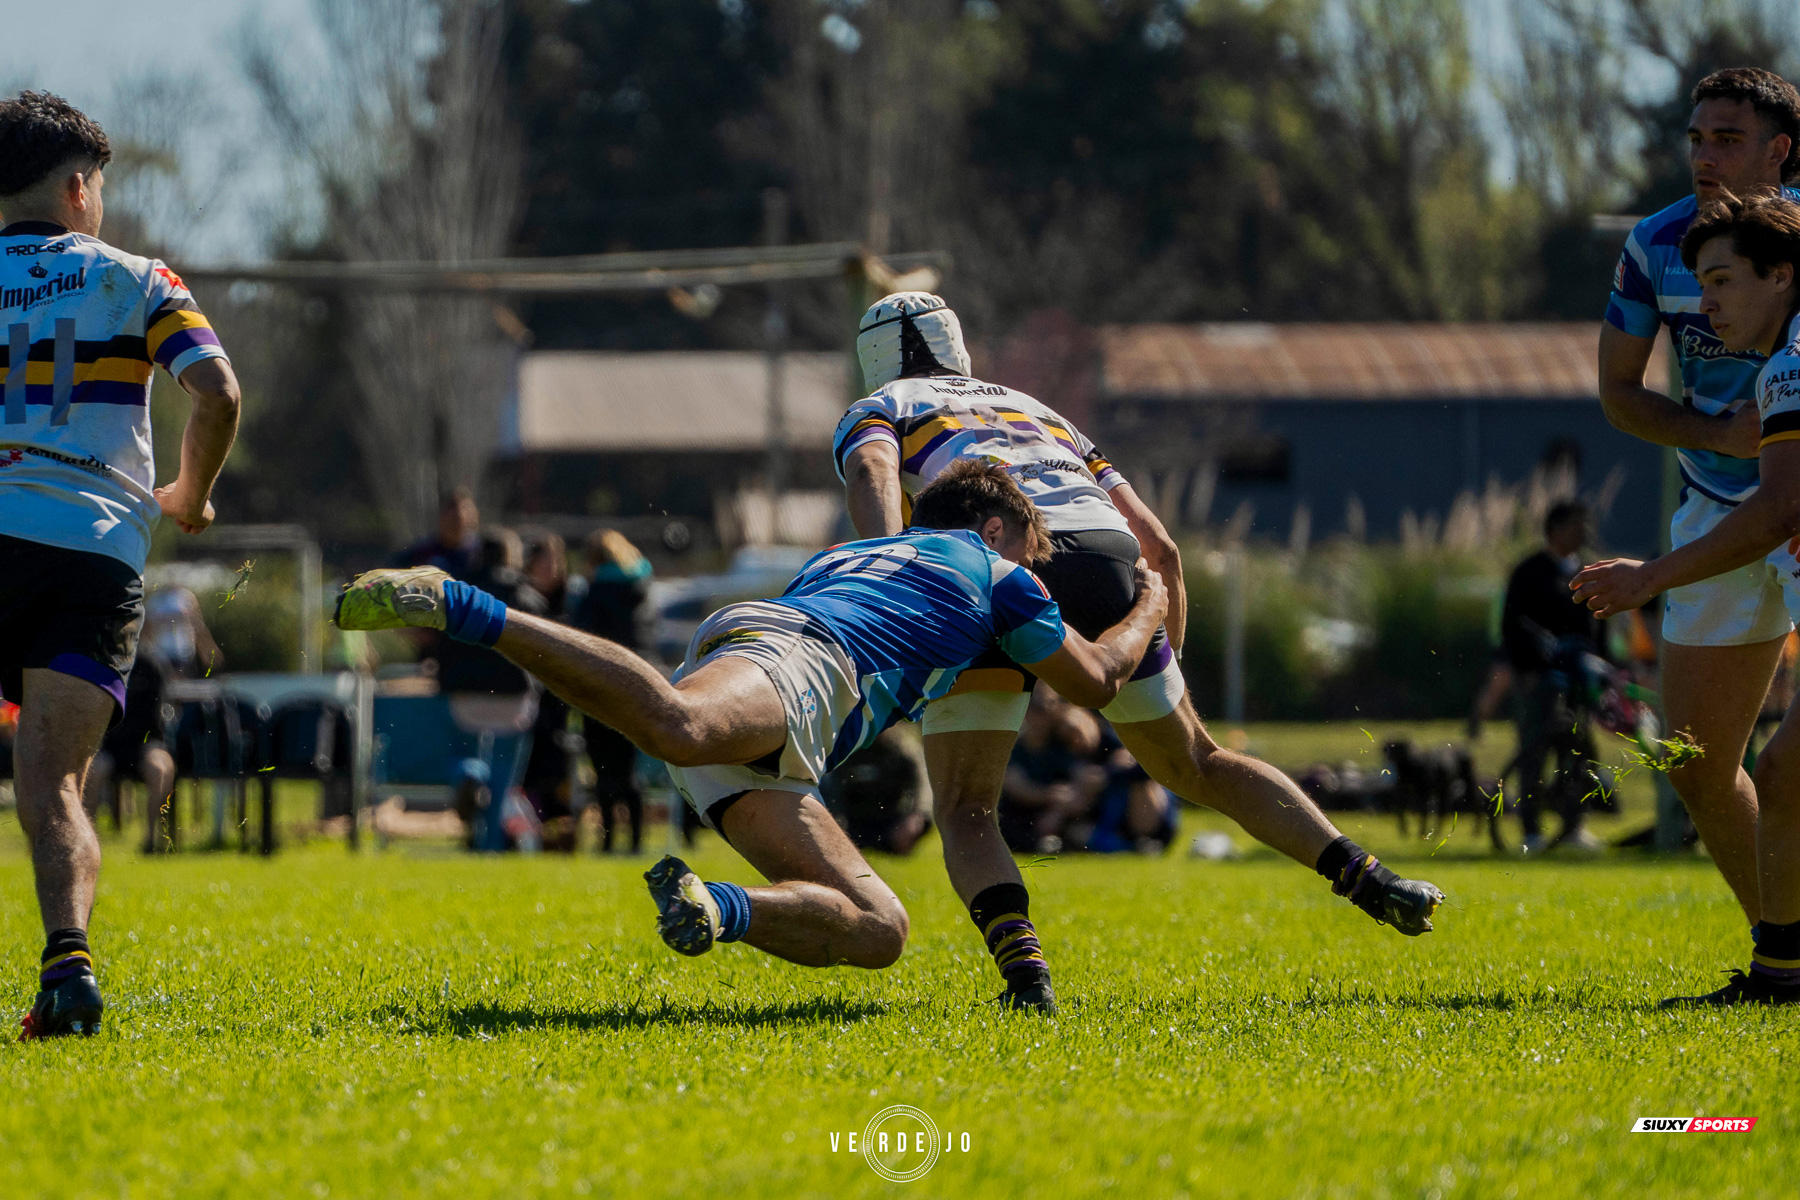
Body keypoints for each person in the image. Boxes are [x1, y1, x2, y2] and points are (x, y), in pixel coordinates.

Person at [335, 461, 1166, 1012]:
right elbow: (1095, 679)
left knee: (879, 929)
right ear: (993, 531)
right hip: (805, 660)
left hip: (783, 695)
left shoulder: (863, 548)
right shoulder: (1001, 573)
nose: (1038, 568)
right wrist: (1151, 604)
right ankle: (460, 603)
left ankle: (716, 907)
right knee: (680, 725)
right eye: (1031, 549)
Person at [835, 291, 1446, 1002]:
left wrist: (894, 572)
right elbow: (1162, 547)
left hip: (985, 562)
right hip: (1107, 559)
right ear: (959, 349)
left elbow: (873, 472)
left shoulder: (882, 405)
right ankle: (1370, 877)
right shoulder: (1036, 409)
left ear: (871, 362)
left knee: (968, 808)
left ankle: (1027, 976)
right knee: (1199, 762)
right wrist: (1163, 666)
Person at [0, 92, 240, 1038]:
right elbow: (217, 393)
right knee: (53, 782)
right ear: (78, 187)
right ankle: (68, 971)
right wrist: (189, 494)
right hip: (89, 554)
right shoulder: (140, 279)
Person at [1578, 188, 1800, 1004]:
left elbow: (1777, 510)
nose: (1704, 308)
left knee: (1782, 772)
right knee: (1772, 773)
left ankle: (1781, 975)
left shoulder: (1792, 367)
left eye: (1721, 283)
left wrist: (1648, 577)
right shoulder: (1782, 364)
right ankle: (1782, 974)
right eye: (1700, 285)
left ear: (1780, 275)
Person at [1494, 501, 1607, 854]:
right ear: (1555, 529)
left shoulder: (1588, 570)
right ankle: (1532, 831)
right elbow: (1511, 627)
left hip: (1578, 683)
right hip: (1539, 681)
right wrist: (1525, 671)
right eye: (1576, 525)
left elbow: (1599, 625)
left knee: (1578, 754)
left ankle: (1573, 826)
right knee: (1534, 754)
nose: (1584, 532)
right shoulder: (1529, 572)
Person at [570, 529, 654, 853]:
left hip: (599, 685)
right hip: (637, 684)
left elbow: (581, 639)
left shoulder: (593, 594)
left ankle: (607, 840)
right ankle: (636, 841)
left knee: (602, 768)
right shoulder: (641, 592)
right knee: (629, 768)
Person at [395, 486, 483, 577]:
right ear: (441, 517)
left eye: (461, 518)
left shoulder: (483, 555)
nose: (457, 524)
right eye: (452, 518)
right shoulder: (422, 554)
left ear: (475, 517)